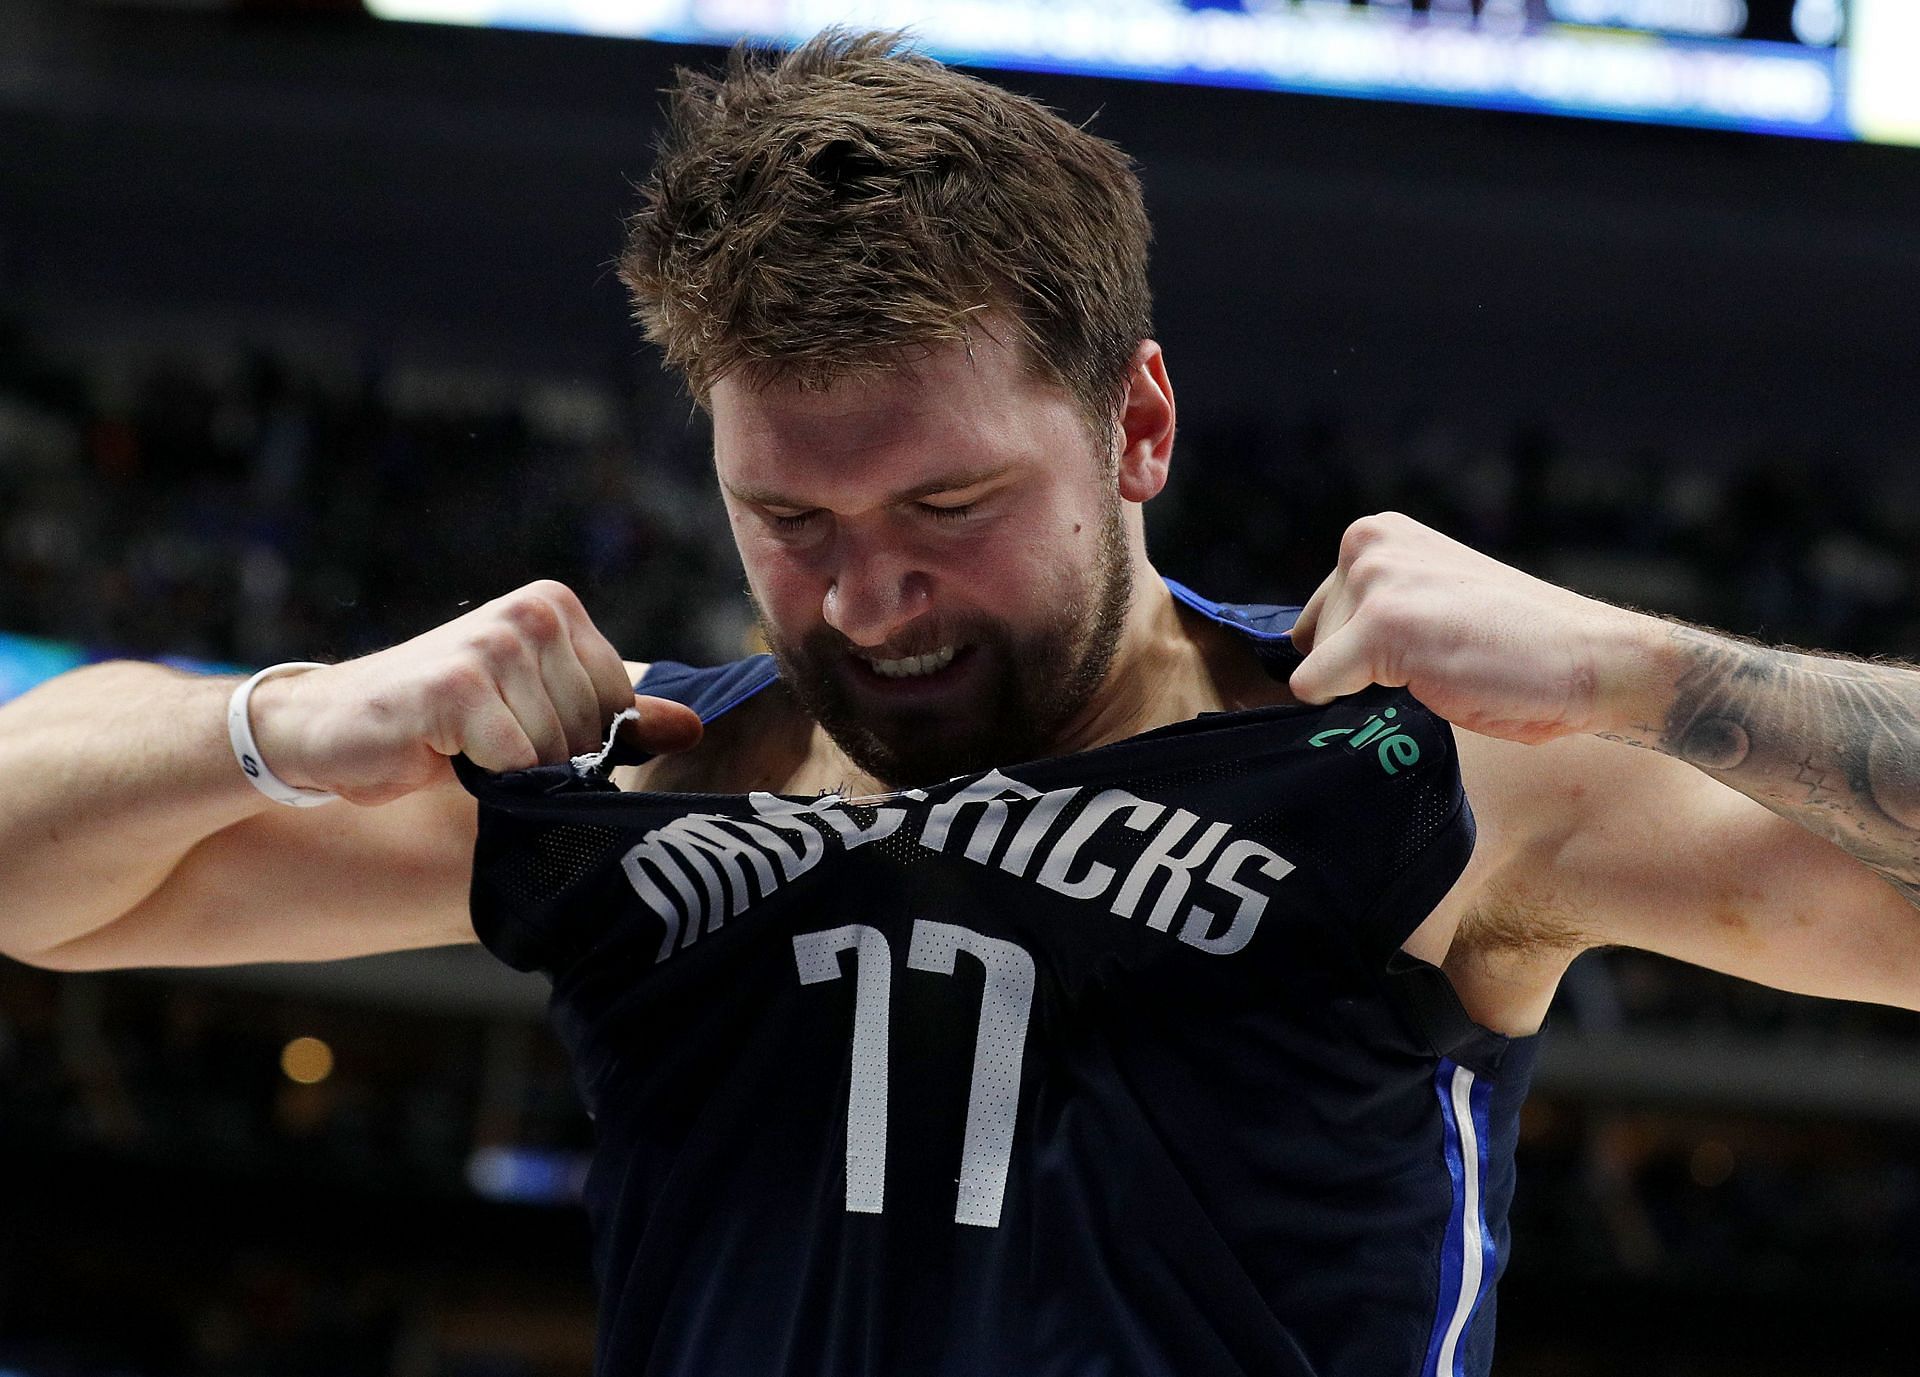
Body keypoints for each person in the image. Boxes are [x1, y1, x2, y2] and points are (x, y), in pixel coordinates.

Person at [4, 28, 1919, 1377]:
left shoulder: (1422, 768)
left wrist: (1654, 672)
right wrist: (278, 720)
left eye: (948, 505)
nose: (869, 595)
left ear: (1137, 426)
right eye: (790, 517)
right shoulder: (646, 781)